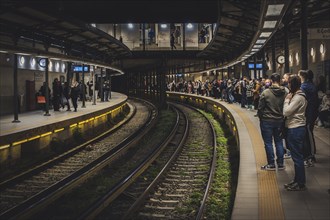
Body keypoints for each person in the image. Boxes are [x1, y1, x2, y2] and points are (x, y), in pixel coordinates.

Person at [258, 73, 287, 170]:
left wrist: (261, 117)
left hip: (267, 120)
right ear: (280, 80)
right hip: (280, 120)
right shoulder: (285, 91)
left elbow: (260, 108)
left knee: (268, 143)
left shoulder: (265, 92)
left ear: (271, 80)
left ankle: (271, 164)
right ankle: (281, 163)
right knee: (279, 142)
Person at [283, 75, 307, 191]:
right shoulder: (298, 96)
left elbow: (286, 112)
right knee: (296, 157)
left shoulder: (298, 97)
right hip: (295, 127)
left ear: (292, 84)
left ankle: (300, 183)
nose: (288, 85)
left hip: (296, 128)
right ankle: (297, 180)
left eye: (289, 83)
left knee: (297, 158)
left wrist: (287, 100)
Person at [298, 70, 318, 166]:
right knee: (309, 133)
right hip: (312, 113)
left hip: (308, 113)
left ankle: (310, 156)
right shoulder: (311, 85)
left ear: (302, 76)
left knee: (308, 134)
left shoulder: (304, 87)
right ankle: (310, 154)